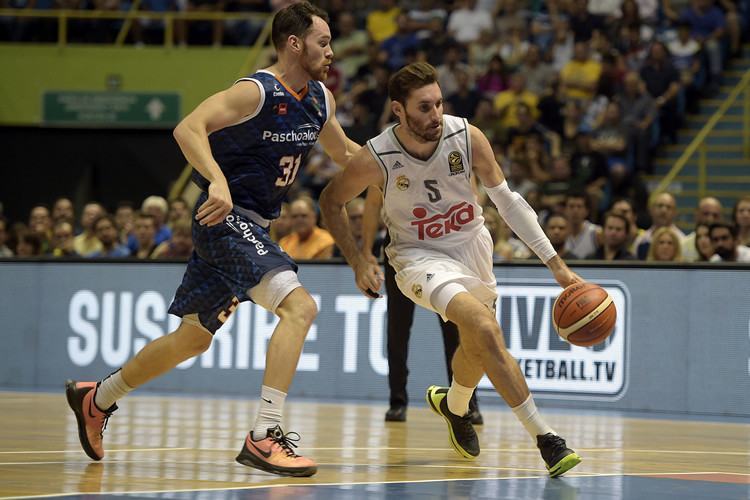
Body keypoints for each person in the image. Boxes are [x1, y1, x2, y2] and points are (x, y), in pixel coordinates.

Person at [65, 2, 359, 478]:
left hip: (252, 228)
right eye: (323, 42)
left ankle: (96, 399)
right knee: (300, 307)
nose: (331, 51)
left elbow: (346, 153)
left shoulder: (319, 97)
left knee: (192, 339)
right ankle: (264, 435)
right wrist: (216, 179)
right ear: (294, 44)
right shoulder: (256, 91)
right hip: (223, 219)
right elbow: (188, 128)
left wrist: (398, 162)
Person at [320, 62, 583, 477]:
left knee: (476, 346)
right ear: (398, 111)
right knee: (485, 329)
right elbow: (330, 201)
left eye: (439, 103)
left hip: (472, 247)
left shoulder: (467, 136)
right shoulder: (378, 156)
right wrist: (359, 260)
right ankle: (546, 438)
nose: (435, 115)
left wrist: (558, 266)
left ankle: (454, 405)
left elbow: (508, 201)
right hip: (417, 257)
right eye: (424, 107)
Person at [362, 188, 482, 424]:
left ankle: (465, 402)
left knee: (456, 328)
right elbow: (373, 203)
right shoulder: (387, 156)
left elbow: (472, 193)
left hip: (443, 243)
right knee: (398, 326)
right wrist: (366, 253)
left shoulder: (449, 154)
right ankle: (397, 401)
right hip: (401, 246)